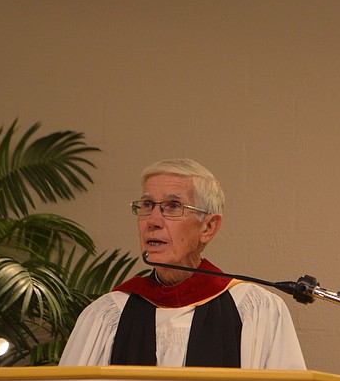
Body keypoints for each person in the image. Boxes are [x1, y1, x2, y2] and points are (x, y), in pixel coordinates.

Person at [58, 158, 305, 369]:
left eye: (172, 206)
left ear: (208, 227)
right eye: (146, 205)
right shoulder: (108, 314)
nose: (152, 220)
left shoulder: (254, 311)